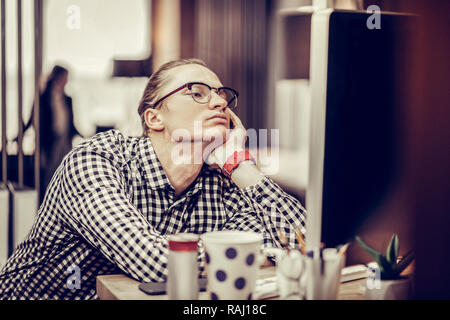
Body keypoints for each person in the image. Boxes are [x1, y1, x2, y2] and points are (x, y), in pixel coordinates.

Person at [0, 58, 306, 299]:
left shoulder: (221, 181)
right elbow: (156, 263)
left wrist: (241, 166)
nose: (219, 102)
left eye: (222, 95)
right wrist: (263, 254)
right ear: (154, 118)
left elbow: (304, 245)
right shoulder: (97, 161)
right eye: (197, 93)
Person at [22, 65, 82, 202]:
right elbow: (32, 120)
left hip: (65, 141)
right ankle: (47, 205)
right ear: (58, 77)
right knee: (49, 176)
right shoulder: (42, 98)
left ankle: (62, 204)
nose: (67, 80)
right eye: (65, 77)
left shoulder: (67, 98)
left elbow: (70, 123)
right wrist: (19, 137)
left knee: (65, 174)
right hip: (49, 142)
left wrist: (84, 136)